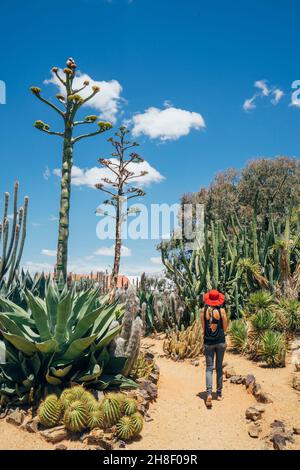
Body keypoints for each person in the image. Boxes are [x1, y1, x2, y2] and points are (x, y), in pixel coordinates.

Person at [201, 289, 228, 408]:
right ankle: (219, 393)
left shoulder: (203, 311)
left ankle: (208, 393)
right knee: (219, 368)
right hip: (221, 342)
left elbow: (203, 328)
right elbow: (225, 327)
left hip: (208, 342)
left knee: (209, 368)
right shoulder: (222, 311)